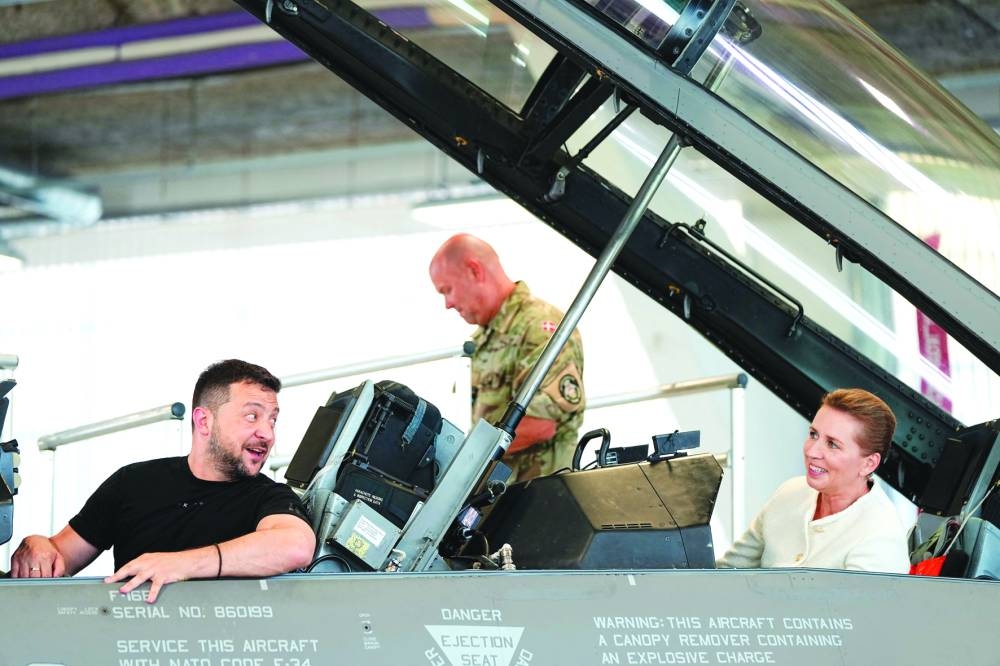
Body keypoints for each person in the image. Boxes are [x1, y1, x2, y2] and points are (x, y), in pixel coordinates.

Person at [9, 359, 315, 601]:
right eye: (253, 416)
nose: (268, 433)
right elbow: (60, 554)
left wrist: (181, 565)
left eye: (273, 419)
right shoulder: (133, 483)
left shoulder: (270, 497)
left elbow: (295, 545)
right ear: (203, 420)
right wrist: (38, 545)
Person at [429, 233, 585, 482]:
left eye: (447, 290)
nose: (448, 304)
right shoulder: (485, 337)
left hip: (539, 494)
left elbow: (539, 423)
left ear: (474, 271)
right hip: (501, 490)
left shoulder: (539, 326)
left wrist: (464, 461)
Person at [717, 388, 910, 573]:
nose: (811, 451)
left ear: (868, 464)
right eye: (813, 434)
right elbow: (725, 572)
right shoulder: (790, 492)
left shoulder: (881, 537)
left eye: (833, 444)